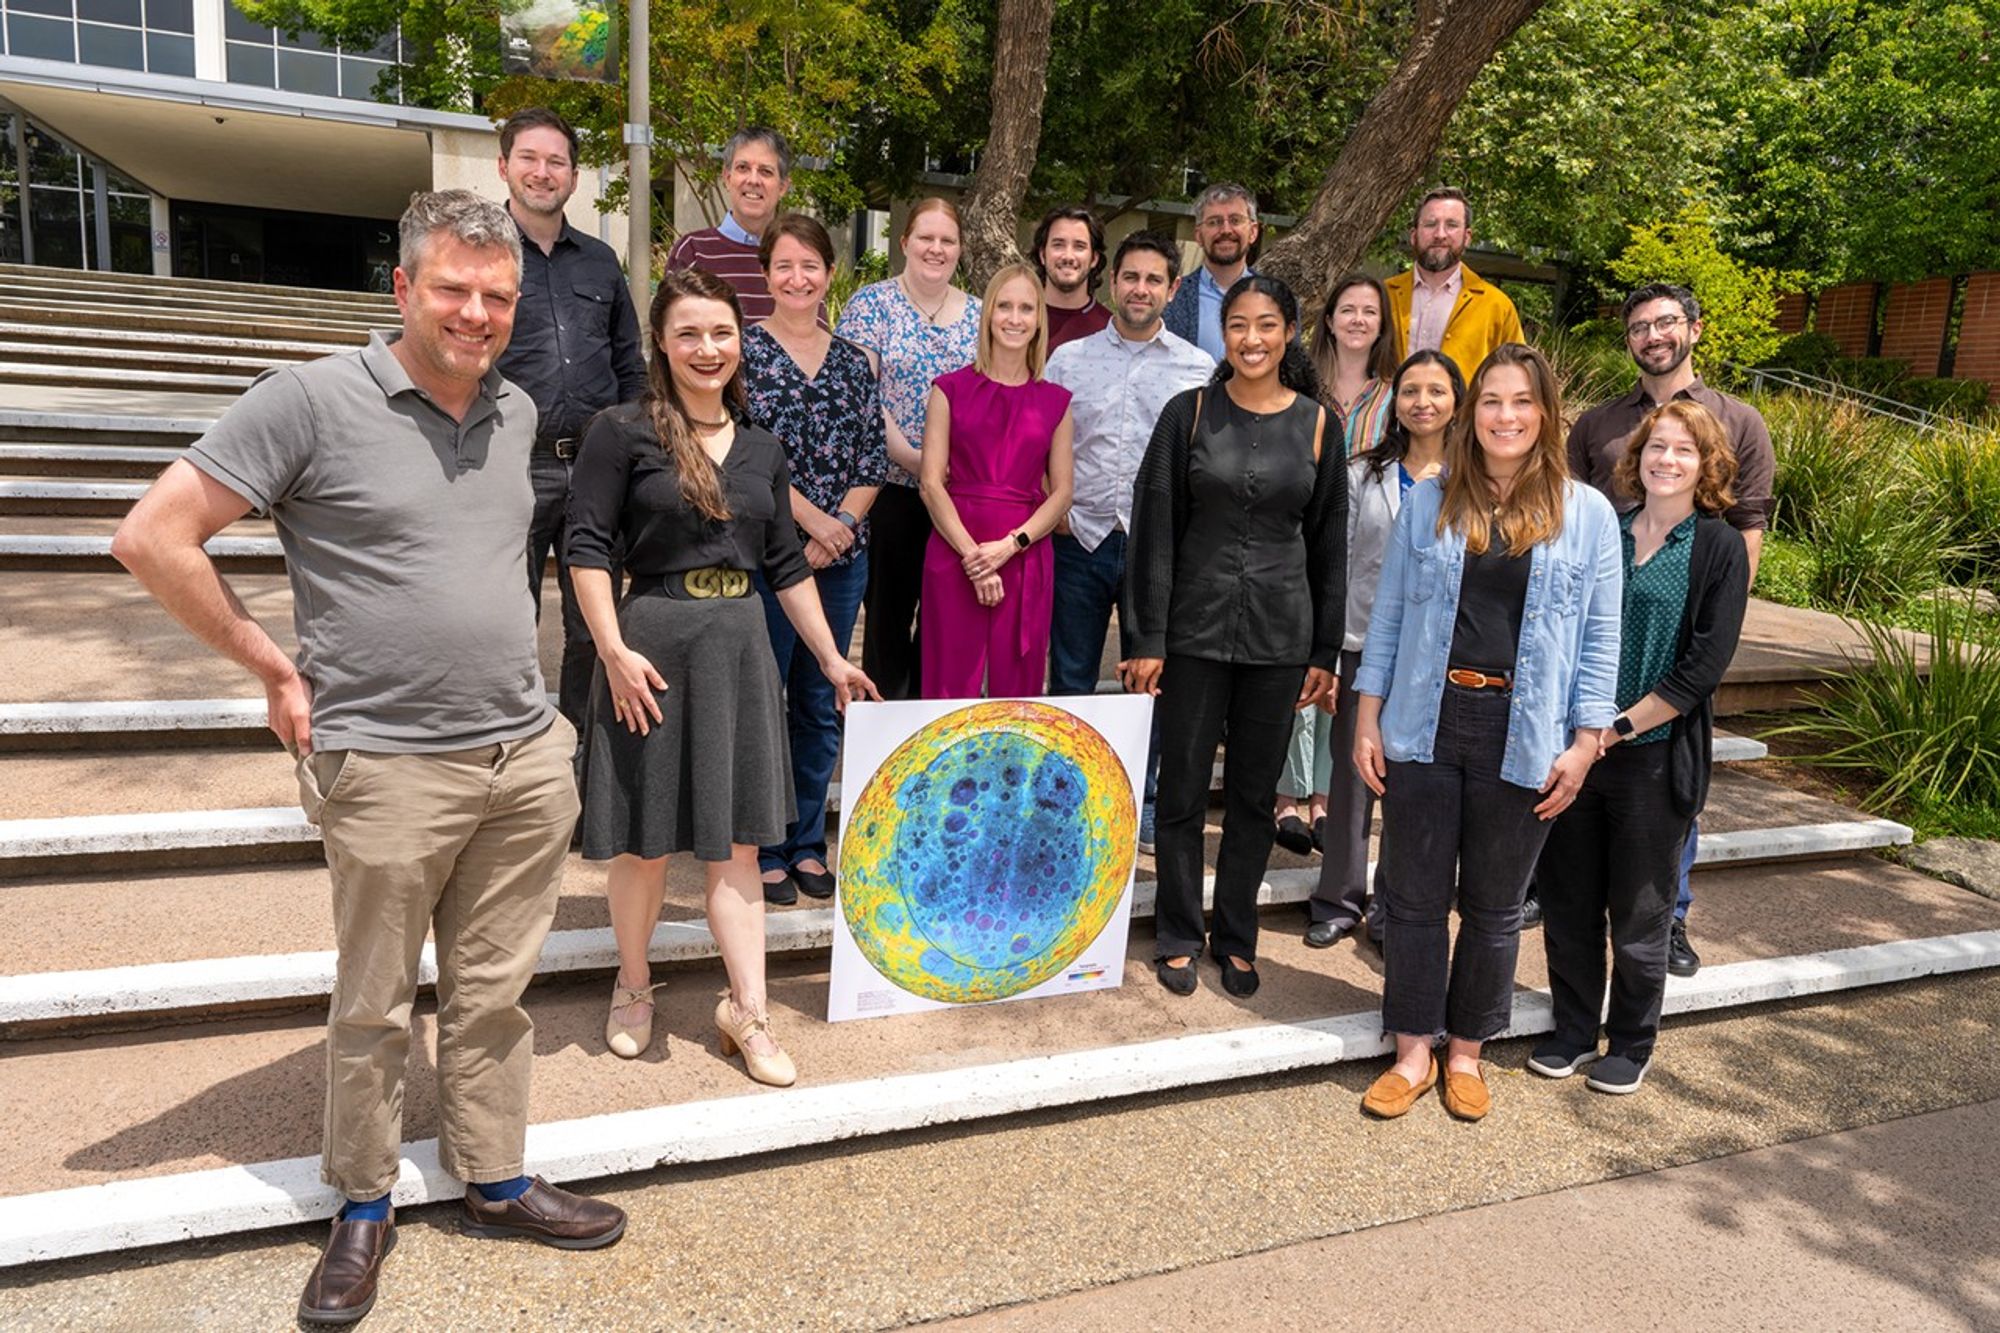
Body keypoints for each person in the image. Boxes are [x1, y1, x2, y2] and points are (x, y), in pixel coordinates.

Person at [112, 190, 627, 1325]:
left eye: (497, 295)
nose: (477, 312)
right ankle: (361, 1202)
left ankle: (494, 1174)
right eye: (453, 288)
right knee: (375, 1003)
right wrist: (272, 667)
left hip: (520, 758)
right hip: (388, 764)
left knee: (494, 993)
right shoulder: (309, 400)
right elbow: (152, 535)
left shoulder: (516, 408)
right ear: (401, 287)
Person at [567, 268, 877, 1082]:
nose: (707, 349)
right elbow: (586, 545)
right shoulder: (620, 432)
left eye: (721, 333)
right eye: (689, 334)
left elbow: (785, 564)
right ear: (661, 343)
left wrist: (830, 656)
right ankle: (633, 983)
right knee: (643, 843)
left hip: (740, 647)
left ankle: (748, 1009)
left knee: (739, 842)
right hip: (649, 652)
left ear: (741, 343)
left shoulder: (763, 447)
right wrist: (611, 650)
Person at [1352, 342, 1621, 1123]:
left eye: (1522, 401)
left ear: (1546, 413)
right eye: (1493, 401)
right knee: (1413, 897)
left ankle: (1466, 1050)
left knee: (1496, 905)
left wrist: (1586, 742)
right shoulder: (1432, 500)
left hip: (1526, 727)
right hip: (1425, 718)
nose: (1507, 416)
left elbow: (1601, 639)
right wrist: (1367, 715)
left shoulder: (1588, 514)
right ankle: (1412, 1050)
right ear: (1473, 414)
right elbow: (1389, 616)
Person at [1123, 274, 1346, 999]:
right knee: (1183, 792)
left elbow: (1330, 543)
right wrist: (1146, 637)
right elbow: (1154, 528)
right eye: (1239, 325)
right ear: (1224, 334)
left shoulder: (1319, 424)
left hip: (1280, 640)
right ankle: (1179, 934)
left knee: (1252, 798)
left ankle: (1236, 936)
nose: (1252, 339)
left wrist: (1324, 650)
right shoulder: (1187, 414)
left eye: (1267, 324)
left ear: (1290, 332)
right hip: (1192, 632)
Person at [1533, 401, 1749, 1094]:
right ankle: (1572, 1030)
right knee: (1569, 901)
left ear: (1706, 464)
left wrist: (1615, 727)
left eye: (1684, 450)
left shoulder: (1717, 547)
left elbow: (1703, 666)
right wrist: (1580, 731)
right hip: (1578, 750)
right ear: (1638, 455)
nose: (1668, 460)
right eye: (1658, 446)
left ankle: (1630, 1041)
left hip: (1652, 756)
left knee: (1639, 910)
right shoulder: (1608, 529)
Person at [1564, 282, 1773, 978]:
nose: (1652, 336)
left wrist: (1718, 621)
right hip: (1604, 627)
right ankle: (1560, 887)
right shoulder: (1596, 425)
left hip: (1681, 631)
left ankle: (1669, 915)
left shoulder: (1740, 421)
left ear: (1694, 328)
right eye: (1639, 327)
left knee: (1666, 790)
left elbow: (1748, 524)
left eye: (1666, 322)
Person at [1043, 231, 1215, 852]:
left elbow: (1202, 462)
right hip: (1081, 538)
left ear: (1173, 289)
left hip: (1157, 549)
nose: (1140, 289)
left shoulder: (1198, 369)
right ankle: (1066, 797)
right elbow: (1043, 440)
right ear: (1112, 281)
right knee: (1071, 674)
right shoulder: (1068, 360)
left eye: (1153, 280)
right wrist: (1054, 507)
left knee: (1152, 681)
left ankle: (1139, 798)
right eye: (1131, 277)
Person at [742, 214, 889, 905]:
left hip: (841, 560)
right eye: (784, 265)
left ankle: (806, 842)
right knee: (765, 700)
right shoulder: (743, 352)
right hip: (767, 556)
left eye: (810, 265)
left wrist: (841, 528)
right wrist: (811, 523)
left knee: (819, 701)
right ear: (766, 274)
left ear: (830, 274)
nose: (797, 278)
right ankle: (764, 846)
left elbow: (872, 458)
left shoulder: (856, 361)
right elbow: (743, 453)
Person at [495, 107, 649, 732]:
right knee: (508, 621)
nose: (542, 172)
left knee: (594, 626)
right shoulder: (482, 255)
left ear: (574, 177)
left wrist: (636, 449)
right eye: (529, 158)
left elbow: (630, 364)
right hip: (510, 466)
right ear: (503, 167)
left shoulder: (601, 262)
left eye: (556, 161)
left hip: (594, 469)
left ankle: (584, 755)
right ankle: (512, 744)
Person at [1303, 349, 1462, 950]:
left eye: (1436, 391)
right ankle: (1339, 899)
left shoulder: (1473, 479)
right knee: (1351, 778)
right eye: (1411, 391)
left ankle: (1397, 905)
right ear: (1395, 403)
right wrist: (1328, 652)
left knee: (1414, 786)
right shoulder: (1362, 473)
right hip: (1363, 645)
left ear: (1456, 401)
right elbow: (1335, 565)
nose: (1423, 402)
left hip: (1441, 658)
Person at [1274, 273, 1401, 856]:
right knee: (1295, 660)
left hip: (1368, 549)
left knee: (1341, 666)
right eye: (1347, 309)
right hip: (1299, 538)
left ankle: (1324, 795)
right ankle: (1286, 795)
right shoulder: (1301, 384)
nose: (1357, 320)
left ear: (1382, 324)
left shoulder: (1395, 396)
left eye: (1369, 311)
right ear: (1328, 319)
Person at [834, 198, 981, 699]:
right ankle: (886, 720)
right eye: (926, 238)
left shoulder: (980, 315)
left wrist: (945, 473)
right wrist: (920, 463)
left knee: (947, 620)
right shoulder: (871, 306)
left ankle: (932, 720)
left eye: (947, 240)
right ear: (904, 243)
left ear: (959, 248)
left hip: (960, 497)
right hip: (890, 491)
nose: (936, 249)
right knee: (887, 619)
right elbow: (862, 397)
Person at [918, 264, 1075, 697]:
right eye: (1004, 306)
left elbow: (1063, 492)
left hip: (1025, 553)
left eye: (1026, 308)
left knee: (1017, 691)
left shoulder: (1056, 401)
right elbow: (930, 484)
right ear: (988, 314)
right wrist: (975, 558)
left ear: (1039, 319)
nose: (1014, 318)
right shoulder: (948, 389)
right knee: (948, 685)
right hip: (956, 549)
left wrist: (1010, 545)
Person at [1383, 187, 1524, 372]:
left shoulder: (1497, 306)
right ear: (1413, 235)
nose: (1440, 234)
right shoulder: (1382, 296)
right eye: (1430, 224)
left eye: (1451, 225)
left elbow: (1517, 376)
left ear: (1467, 237)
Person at [663, 126, 794, 321]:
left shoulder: (797, 257)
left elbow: (816, 334)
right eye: (743, 168)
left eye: (765, 171)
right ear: (727, 177)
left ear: (783, 187)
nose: (753, 180)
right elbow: (670, 328)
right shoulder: (692, 252)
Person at [1162, 183, 1260, 362]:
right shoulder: (1170, 299)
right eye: (1214, 222)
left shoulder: (1278, 299)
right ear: (1199, 235)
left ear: (1253, 232)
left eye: (1235, 220)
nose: (1226, 230)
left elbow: (1290, 370)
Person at [1031, 205, 1111, 350]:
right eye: (1058, 245)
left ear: (1094, 259)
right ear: (1042, 255)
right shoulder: (1015, 322)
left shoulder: (1110, 331)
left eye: (1079, 246)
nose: (1068, 256)